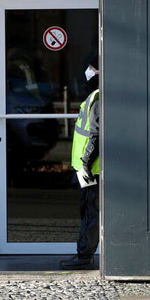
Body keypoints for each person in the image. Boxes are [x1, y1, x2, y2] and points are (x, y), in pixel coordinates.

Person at [60, 54, 100, 270]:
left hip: (89, 168)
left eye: (92, 67)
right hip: (87, 166)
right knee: (88, 211)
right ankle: (85, 254)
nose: (88, 71)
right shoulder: (95, 96)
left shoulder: (98, 98)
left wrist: (85, 162)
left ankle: (84, 256)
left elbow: (95, 135)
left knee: (89, 212)